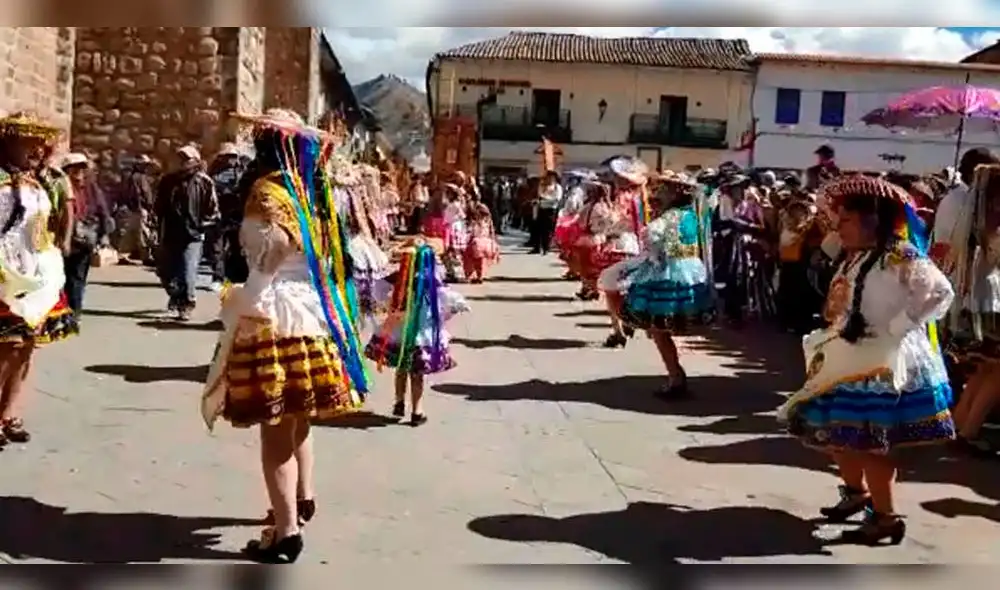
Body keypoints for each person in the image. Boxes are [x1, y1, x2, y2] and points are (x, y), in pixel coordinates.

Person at [201, 108, 369, 563]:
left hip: (275, 312)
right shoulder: (311, 192)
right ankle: (301, 498)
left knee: (275, 430)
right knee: (297, 416)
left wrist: (247, 295)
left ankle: (286, 532)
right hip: (310, 310)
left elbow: (273, 249)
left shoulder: (268, 192)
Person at [778, 175, 955, 546]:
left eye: (846, 220)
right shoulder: (855, 255)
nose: (839, 227)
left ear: (871, 220)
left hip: (883, 361)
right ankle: (856, 493)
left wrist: (898, 325)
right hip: (848, 354)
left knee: (871, 443)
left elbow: (939, 291)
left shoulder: (900, 254)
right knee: (838, 433)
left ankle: (886, 516)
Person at [0, 111, 78, 446]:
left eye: (41, 143)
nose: (37, 149)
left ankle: (8, 413)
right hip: (7, 275)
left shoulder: (37, 183)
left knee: (26, 347)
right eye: (29, 142)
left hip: (36, 274)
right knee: (8, 346)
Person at [614, 173, 715, 396]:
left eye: (666, 188)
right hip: (689, 271)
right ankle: (675, 373)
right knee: (661, 327)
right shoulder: (691, 215)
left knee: (658, 328)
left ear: (676, 192)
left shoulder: (670, 217)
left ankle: (675, 376)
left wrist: (651, 248)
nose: (660, 191)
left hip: (668, 272)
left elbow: (651, 238)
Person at [365, 240, 469, 425]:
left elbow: (378, 288)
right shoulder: (431, 279)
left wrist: (389, 303)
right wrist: (458, 306)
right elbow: (447, 297)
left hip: (400, 331)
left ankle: (399, 402)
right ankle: (417, 411)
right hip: (422, 334)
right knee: (417, 373)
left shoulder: (400, 277)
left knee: (401, 367)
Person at [154, 145, 219, 320]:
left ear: (195, 161)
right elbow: (158, 207)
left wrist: (202, 225)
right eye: (180, 158)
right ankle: (176, 297)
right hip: (170, 232)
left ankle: (187, 304)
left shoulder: (204, 181)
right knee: (166, 272)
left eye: (186, 158)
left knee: (187, 272)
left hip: (193, 235)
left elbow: (213, 209)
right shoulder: (167, 181)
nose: (182, 162)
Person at [60, 152, 113, 318]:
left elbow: (102, 211)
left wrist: (104, 235)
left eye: (81, 168)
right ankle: (66, 312)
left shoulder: (90, 188)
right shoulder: (60, 187)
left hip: (84, 240)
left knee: (77, 278)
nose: (78, 172)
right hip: (63, 239)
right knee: (62, 278)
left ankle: (73, 314)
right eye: (74, 168)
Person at [206, 142, 249, 290]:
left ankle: (237, 277)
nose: (230, 160)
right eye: (227, 156)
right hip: (219, 215)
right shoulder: (214, 172)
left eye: (232, 156)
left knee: (238, 248)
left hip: (237, 215)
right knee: (216, 248)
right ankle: (218, 277)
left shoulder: (243, 170)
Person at [117, 154, 158, 265]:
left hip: (136, 209)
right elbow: (139, 194)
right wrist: (146, 207)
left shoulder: (136, 177)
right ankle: (146, 256)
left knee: (132, 232)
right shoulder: (138, 178)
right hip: (140, 208)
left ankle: (123, 254)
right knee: (143, 233)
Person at [463, 200, 500, 283]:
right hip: (487, 243)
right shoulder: (488, 221)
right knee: (482, 262)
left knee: (470, 259)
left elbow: (471, 232)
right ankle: (480, 276)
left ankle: (471, 275)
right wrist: (495, 244)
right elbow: (492, 233)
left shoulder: (474, 221)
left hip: (476, 243)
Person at [532, 171, 562, 254]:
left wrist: (545, 199)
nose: (549, 179)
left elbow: (557, 199)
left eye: (551, 177)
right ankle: (537, 247)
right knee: (538, 228)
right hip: (541, 209)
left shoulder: (557, 187)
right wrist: (542, 199)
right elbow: (540, 196)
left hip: (551, 210)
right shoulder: (542, 186)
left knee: (547, 230)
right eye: (548, 177)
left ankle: (546, 247)